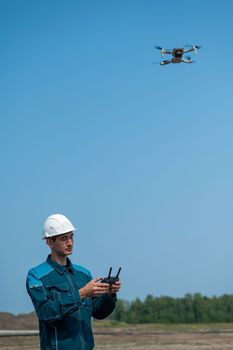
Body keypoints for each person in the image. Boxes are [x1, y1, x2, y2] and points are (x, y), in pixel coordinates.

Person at [26, 213, 121, 350]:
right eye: (64, 239)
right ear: (49, 242)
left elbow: (98, 313)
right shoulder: (36, 275)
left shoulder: (83, 274)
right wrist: (82, 293)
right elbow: (45, 313)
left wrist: (109, 295)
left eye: (71, 237)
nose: (70, 243)